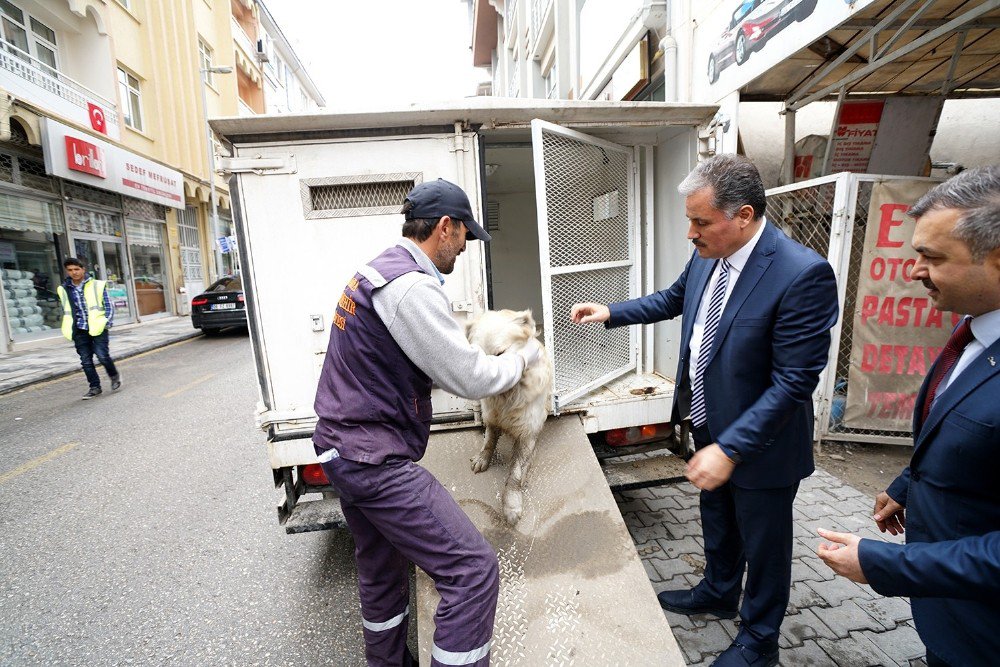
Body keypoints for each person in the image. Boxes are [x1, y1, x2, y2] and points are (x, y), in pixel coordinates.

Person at [571, 154, 838, 667]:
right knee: (717, 516)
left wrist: (732, 448)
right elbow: (676, 299)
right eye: (689, 220)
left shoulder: (801, 274)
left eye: (700, 221)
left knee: (765, 545)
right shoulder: (707, 253)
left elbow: (794, 381)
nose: (690, 232)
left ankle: (760, 641)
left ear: (742, 215)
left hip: (763, 442)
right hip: (706, 422)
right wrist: (612, 311)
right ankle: (717, 590)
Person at [312, 178, 544, 667]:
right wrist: (523, 359)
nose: (463, 249)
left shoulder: (374, 271)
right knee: (472, 570)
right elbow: (470, 376)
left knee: (381, 569)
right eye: (464, 237)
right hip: (373, 458)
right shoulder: (411, 288)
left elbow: (399, 360)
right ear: (445, 227)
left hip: (342, 450)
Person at [817, 166, 1000, 667]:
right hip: (952, 617)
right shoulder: (975, 327)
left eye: (932, 257)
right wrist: (908, 485)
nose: (914, 271)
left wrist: (883, 563)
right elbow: (965, 426)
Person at [56, 257, 122, 399]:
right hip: (79, 329)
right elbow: (66, 309)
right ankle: (94, 387)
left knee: (102, 356)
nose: (74, 273)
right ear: (67, 271)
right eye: (70, 270)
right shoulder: (63, 289)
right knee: (86, 360)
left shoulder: (96, 285)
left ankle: (114, 376)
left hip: (98, 327)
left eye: (76, 269)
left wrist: (107, 322)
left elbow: (108, 305)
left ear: (83, 269)